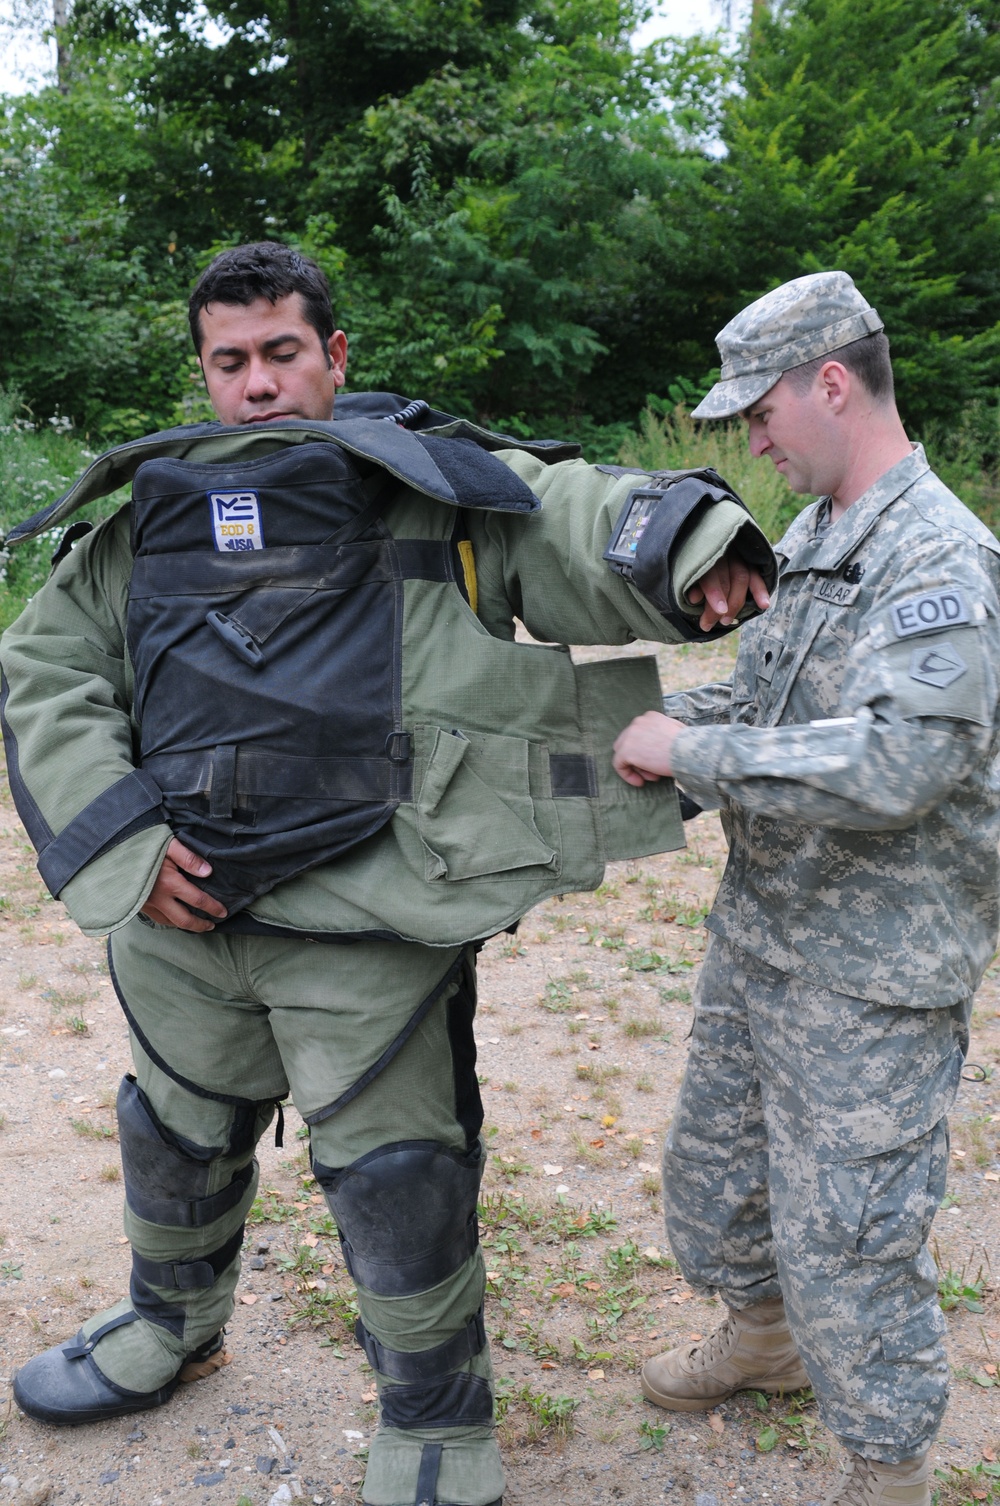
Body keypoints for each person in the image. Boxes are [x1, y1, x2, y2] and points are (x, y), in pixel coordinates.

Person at [0, 242, 775, 1506]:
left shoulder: (430, 487)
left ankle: (434, 1415)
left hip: (372, 908)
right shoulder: (152, 516)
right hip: (178, 913)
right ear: (203, 373)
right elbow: (46, 672)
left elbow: (564, 511)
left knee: (399, 1173)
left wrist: (687, 550)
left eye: (281, 354)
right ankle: (171, 1328)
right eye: (229, 362)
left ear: (334, 355)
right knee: (175, 1132)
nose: (256, 386)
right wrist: (125, 845)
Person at [612, 270, 1000, 1506]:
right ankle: (763, 1342)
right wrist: (650, 725)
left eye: (761, 413)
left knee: (852, 1243)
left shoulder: (937, 553)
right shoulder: (823, 534)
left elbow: (901, 759)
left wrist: (697, 756)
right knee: (716, 1184)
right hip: (767, 933)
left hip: (873, 975)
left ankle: (888, 1472)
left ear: (830, 381)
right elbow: (773, 699)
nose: (752, 441)